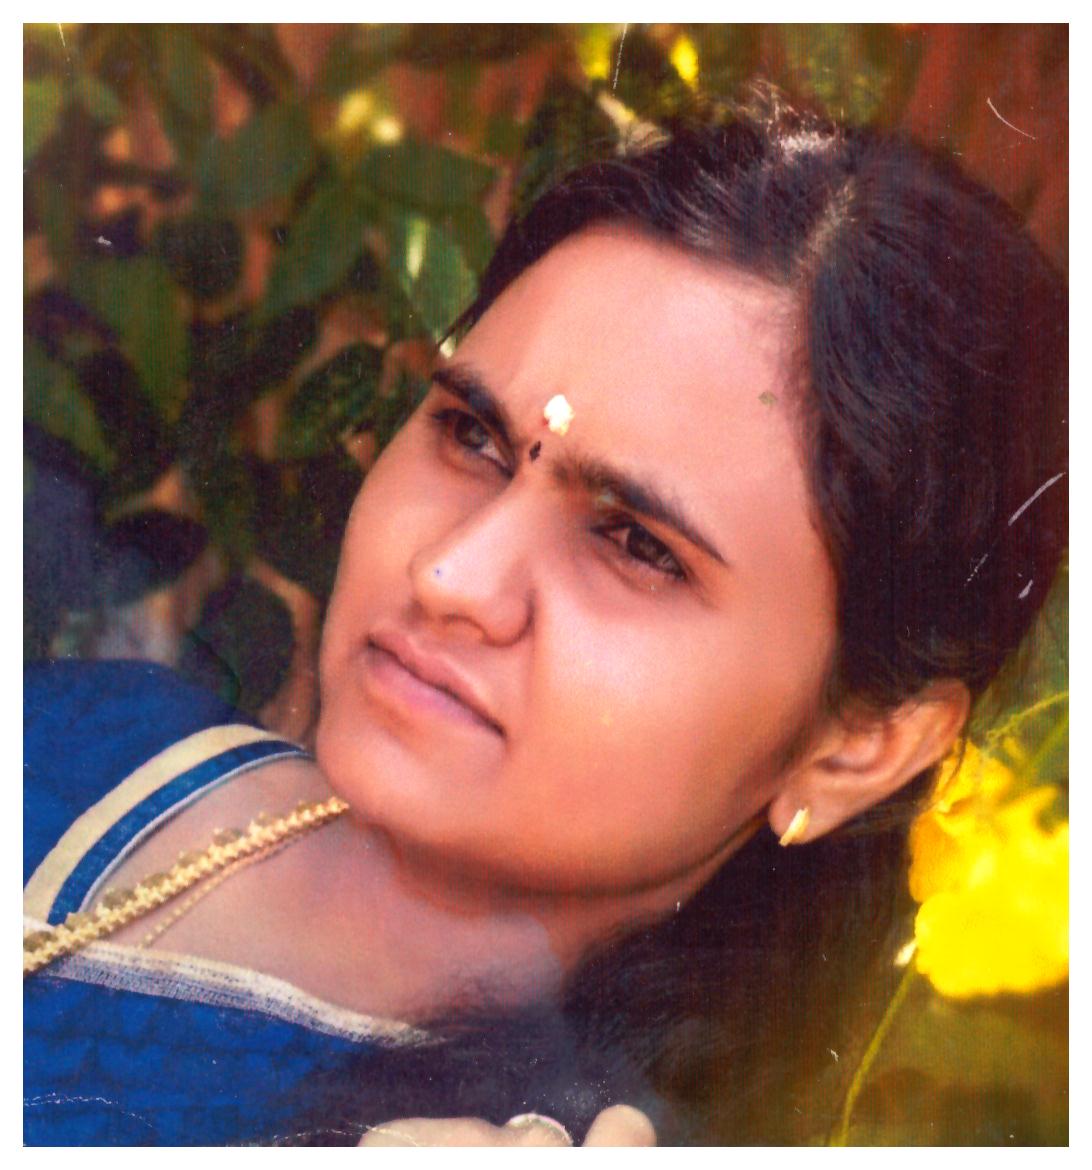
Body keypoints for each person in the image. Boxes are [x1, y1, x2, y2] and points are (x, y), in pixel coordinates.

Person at [23, 99, 1067, 1146]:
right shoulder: (92, 736)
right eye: (470, 435)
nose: (449, 574)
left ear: (858, 747)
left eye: (638, 545)